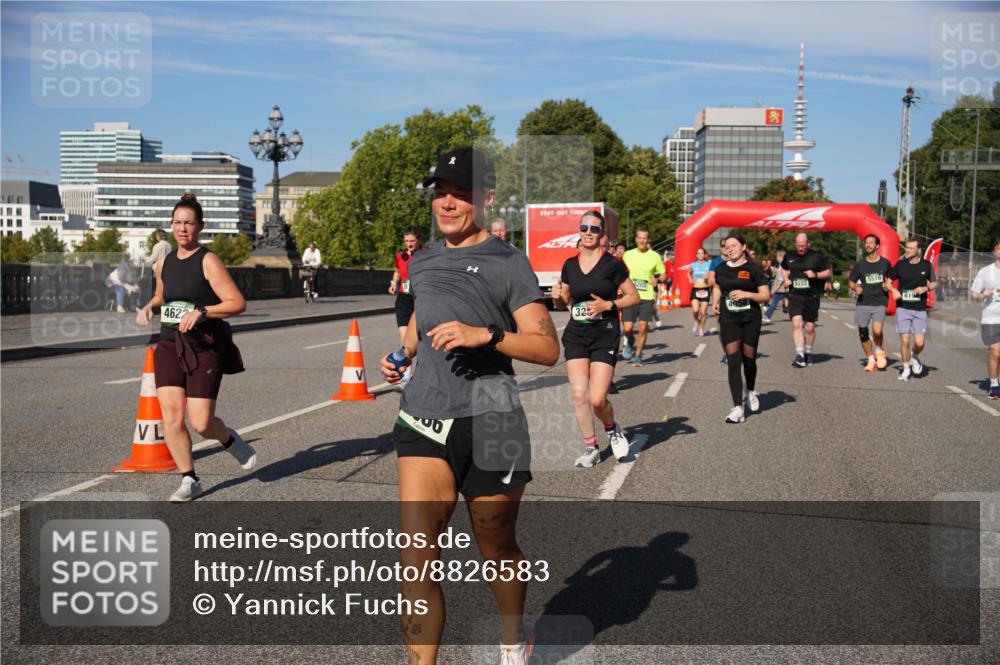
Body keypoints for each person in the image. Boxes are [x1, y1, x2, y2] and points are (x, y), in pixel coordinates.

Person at [379, 147, 559, 665]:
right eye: (441, 193)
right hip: (424, 418)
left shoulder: (510, 262)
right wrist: (403, 353)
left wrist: (486, 335)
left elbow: (546, 349)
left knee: (496, 547)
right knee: (416, 559)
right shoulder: (423, 260)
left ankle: (512, 638)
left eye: (461, 193)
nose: (448, 203)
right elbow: (424, 316)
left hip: (493, 415)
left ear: (487, 198)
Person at [135, 193, 255, 502]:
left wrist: (203, 312)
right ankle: (189, 478)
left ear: (199, 226)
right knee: (172, 418)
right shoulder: (163, 263)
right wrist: (149, 306)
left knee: (201, 422)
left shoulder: (208, 260)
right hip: (169, 343)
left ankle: (229, 439)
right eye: (177, 223)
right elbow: (163, 296)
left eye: (188, 223)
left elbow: (237, 303)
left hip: (203, 344)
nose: (182, 229)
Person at [550, 210, 640, 468]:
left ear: (602, 234)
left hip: (605, 333)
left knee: (598, 399)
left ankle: (612, 429)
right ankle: (591, 446)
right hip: (577, 334)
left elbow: (633, 297)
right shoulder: (569, 264)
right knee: (579, 395)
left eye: (594, 229)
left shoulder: (612, 264)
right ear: (579, 231)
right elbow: (563, 301)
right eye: (584, 228)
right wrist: (557, 295)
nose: (588, 232)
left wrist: (609, 304)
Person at [712, 233, 770, 423]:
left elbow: (765, 295)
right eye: (727, 246)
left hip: (750, 318)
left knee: (749, 360)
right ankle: (738, 408)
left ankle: (751, 390)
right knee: (733, 362)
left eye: (734, 245)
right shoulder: (721, 268)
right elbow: (718, 287)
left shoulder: (754, 268)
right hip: (729, 319)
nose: (730, 249)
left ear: (743, 246)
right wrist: (715, 301)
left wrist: (746, 294)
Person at [887, 237, 938, 381]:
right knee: (905, 340)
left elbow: (935, 283)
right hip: (903, 307)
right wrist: (893, 291)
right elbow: (888, 282)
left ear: (918, 250)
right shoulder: (900, 265)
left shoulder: (926, 265)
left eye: (910, 248)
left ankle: (914, 356)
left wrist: (925, 288)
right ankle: (906, 368)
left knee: (919, 343)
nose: (907, 250)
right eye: (906, 248)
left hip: (920, 309)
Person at [781, 233, 831, 367]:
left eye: (803, 245)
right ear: (795, 244)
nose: (801, 248)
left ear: (808, 243)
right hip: (795, 294)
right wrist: (786, 279)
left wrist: (815, 274)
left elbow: (828, 272)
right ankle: (800, 354)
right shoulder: (789, 255)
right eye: (798, 245)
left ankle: (808, 352)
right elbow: (784, 268)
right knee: (796, 323)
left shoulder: (816, 256)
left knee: (809, 327)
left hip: (811, 295)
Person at [620, 227, 665, 366]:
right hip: (630, 295)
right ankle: (630, 341)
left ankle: (638, 355)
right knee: (627, 328)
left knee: (643, 326)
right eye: (639, 237)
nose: (642, 240)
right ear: (636, 239)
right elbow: (618, 270)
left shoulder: (655, 256)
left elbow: (663, 274)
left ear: (648, 240)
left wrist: (657, 280)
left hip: (646, 297)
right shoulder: (627, 254)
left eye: (644, 238)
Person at [848, 234, 892, 372]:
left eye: (871, 243)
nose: (867, 245)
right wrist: (856, 287)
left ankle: (879, 350)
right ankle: (871, 359)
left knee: (877, 330)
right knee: (863, 333)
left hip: (879, 301)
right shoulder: (860, 264)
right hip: (863, 302)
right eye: (866, 243)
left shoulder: (885, 263)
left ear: (877, 246)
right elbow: (851, 281)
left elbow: (890, 279)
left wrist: (887, 285)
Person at [970, 238, 1000, 399]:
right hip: (991, 319)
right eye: (999, 248)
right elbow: (974, 294)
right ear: (995, 251)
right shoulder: (985, 271)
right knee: (996, 353)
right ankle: (994, 385)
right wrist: (983, 294)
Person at [389, 229, 422, 351]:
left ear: (418, 240)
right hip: (404, 295)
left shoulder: (426, 255)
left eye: (412, 241)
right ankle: (406, 365)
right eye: (407, 241)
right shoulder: (400, 256)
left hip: (420, 296)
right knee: (404, 333)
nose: (409, 244)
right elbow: (397, 272)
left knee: (420, 333)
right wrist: (393, 283)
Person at [686, 247, 712, 336]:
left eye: (702, 253)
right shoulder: (693, 265)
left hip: (705, 289)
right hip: (696, 289)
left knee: (703, 312)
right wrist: (689, 278)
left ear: (704, 255)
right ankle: (696, 321)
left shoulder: (709, 265)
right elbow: (688, 272)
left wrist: (708, 278)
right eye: (698, 253)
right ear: (696, 255)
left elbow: (712, 276)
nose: (700, 255)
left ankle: (701, 328)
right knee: (695, 310)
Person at [763, 250, 789, 323]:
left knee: (773, 302)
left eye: (777, 256)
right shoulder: (784, 264)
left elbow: (781, 279)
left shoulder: (783, 265)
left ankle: (767, 316)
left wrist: (774, 289)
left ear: (780, 256)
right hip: (786, 288)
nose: (776, 257)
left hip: (781, 289)